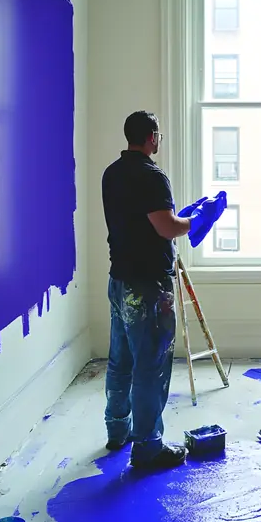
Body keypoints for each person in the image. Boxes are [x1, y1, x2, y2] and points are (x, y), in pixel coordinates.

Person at [101, 110, 192, 470]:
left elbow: (140, 219)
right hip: (148, 286)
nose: (159, 141)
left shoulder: (112, 173)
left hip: (119, 280)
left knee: (120, 360)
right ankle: (148, 446)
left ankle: (117, 429)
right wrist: (196, 220)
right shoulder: (152, 176)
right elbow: (166, 228)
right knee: (150, 366)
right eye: (159, 136)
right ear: (152, 136)